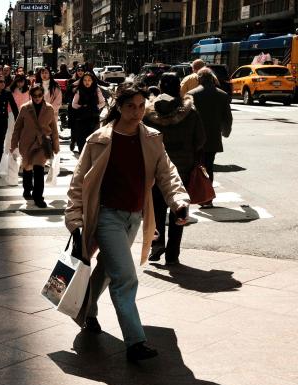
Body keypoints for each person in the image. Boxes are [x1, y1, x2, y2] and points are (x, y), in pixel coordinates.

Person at [65, 83, 190, 362]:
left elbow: (167, 173)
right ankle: (135, 342)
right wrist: (75, 221)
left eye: (141, 106)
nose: (137, 112)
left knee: (109, 270)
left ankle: (87, 310)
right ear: (119, 107)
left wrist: (179, 201)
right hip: (107, 216)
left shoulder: (152, 138)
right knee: (126, 278)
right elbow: (78, 183)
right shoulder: (99, 140)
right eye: (131, 106)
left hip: (135, 216)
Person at [143, 73, 206, 264]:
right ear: (179, 87)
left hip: (156, 168)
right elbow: (201, 140)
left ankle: (156, 245)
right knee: (179, 209)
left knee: (157, 209)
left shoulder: (149, 113)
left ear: (160, 87)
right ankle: (173, 254)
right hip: (183, 168)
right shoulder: (190, 112)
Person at [188, 67, 233, 208]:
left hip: (194, 138)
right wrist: (225, 132)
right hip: (213, 137)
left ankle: (196, 196)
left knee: (194, 167)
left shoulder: (192, 94)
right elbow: (228, 118)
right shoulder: (223, 95)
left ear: (199, 79)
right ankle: (207, 198)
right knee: (208, 166)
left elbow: (186, 118)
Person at [10, 85, 59, 208]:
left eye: (40, 95)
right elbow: (17, 128)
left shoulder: (49, 109)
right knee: (27, 167)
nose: (37, 98)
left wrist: (56, 146)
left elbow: (54, 128)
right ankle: (27, 189)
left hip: (42, 143)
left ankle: (38, 197)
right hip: (27, 143)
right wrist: (13, 144)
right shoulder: (25, 108)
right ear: (31, 96)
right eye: (34, 96)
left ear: (43, 95)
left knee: (39, 169)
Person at [71, 71, 106, 153]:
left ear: (92, 81)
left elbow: (103, 102)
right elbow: (74, 104)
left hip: (93, 118)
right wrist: (82, 107)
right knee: (81, 141)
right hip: (81, 118)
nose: (87, 82)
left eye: (89, 80)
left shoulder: (96, 90)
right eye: (85, 80)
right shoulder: (79, 90)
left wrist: (94, 107)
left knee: (93, 139)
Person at [66, 65, 86, 150]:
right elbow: (68, 93)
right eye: (78, 70)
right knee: (74, 125)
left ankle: (80, 143)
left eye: (82, 70)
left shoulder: (87, 80)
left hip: (83, 108)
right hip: (73, 107)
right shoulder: (72, 81)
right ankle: (73, 140)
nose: (80, 72)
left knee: (82, 126)